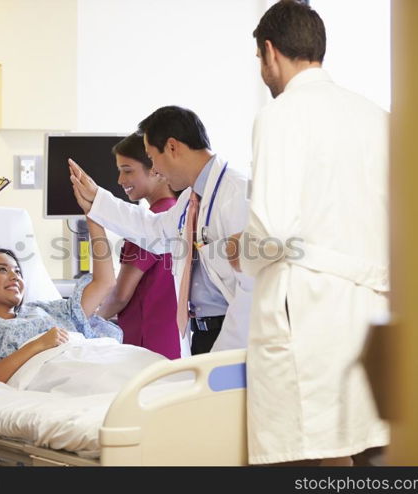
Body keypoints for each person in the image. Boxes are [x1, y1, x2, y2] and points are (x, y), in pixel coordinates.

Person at [229, 0, 390, 465]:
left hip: (308, 310)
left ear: (269, 52)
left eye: (260, 61)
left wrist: (245, 252)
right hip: (369, 305)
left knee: (312, 451)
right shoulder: (376, 116)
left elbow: (275, 228)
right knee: (358, 447)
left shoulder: (280, 115)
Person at [69, 106, 253, 357]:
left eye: (152, 157)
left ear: (173, 147)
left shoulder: (237, 194)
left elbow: (252, 290)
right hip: (201, 335)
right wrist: (98, 200)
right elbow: (155, 231)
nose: (154, 169)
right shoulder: (191, 198)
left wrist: (223, 355)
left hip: (232, 338)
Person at [0, 241, 164, 391]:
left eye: (18, 271)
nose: (14, 276)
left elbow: (104, 283)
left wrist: (94, 212)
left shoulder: (46, 309)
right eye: (2, 270)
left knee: (154, 370)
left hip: (90, 354)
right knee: (120, 383)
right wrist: (37, 345)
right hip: (54, 371)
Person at [96, 133, 180, 359]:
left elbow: (121, 296)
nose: (120, 180)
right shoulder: (176, 214)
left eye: (128, 170)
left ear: (156, 169)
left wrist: (86, 323)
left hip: (146, 345)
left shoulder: (148, 225)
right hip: (171, 342)